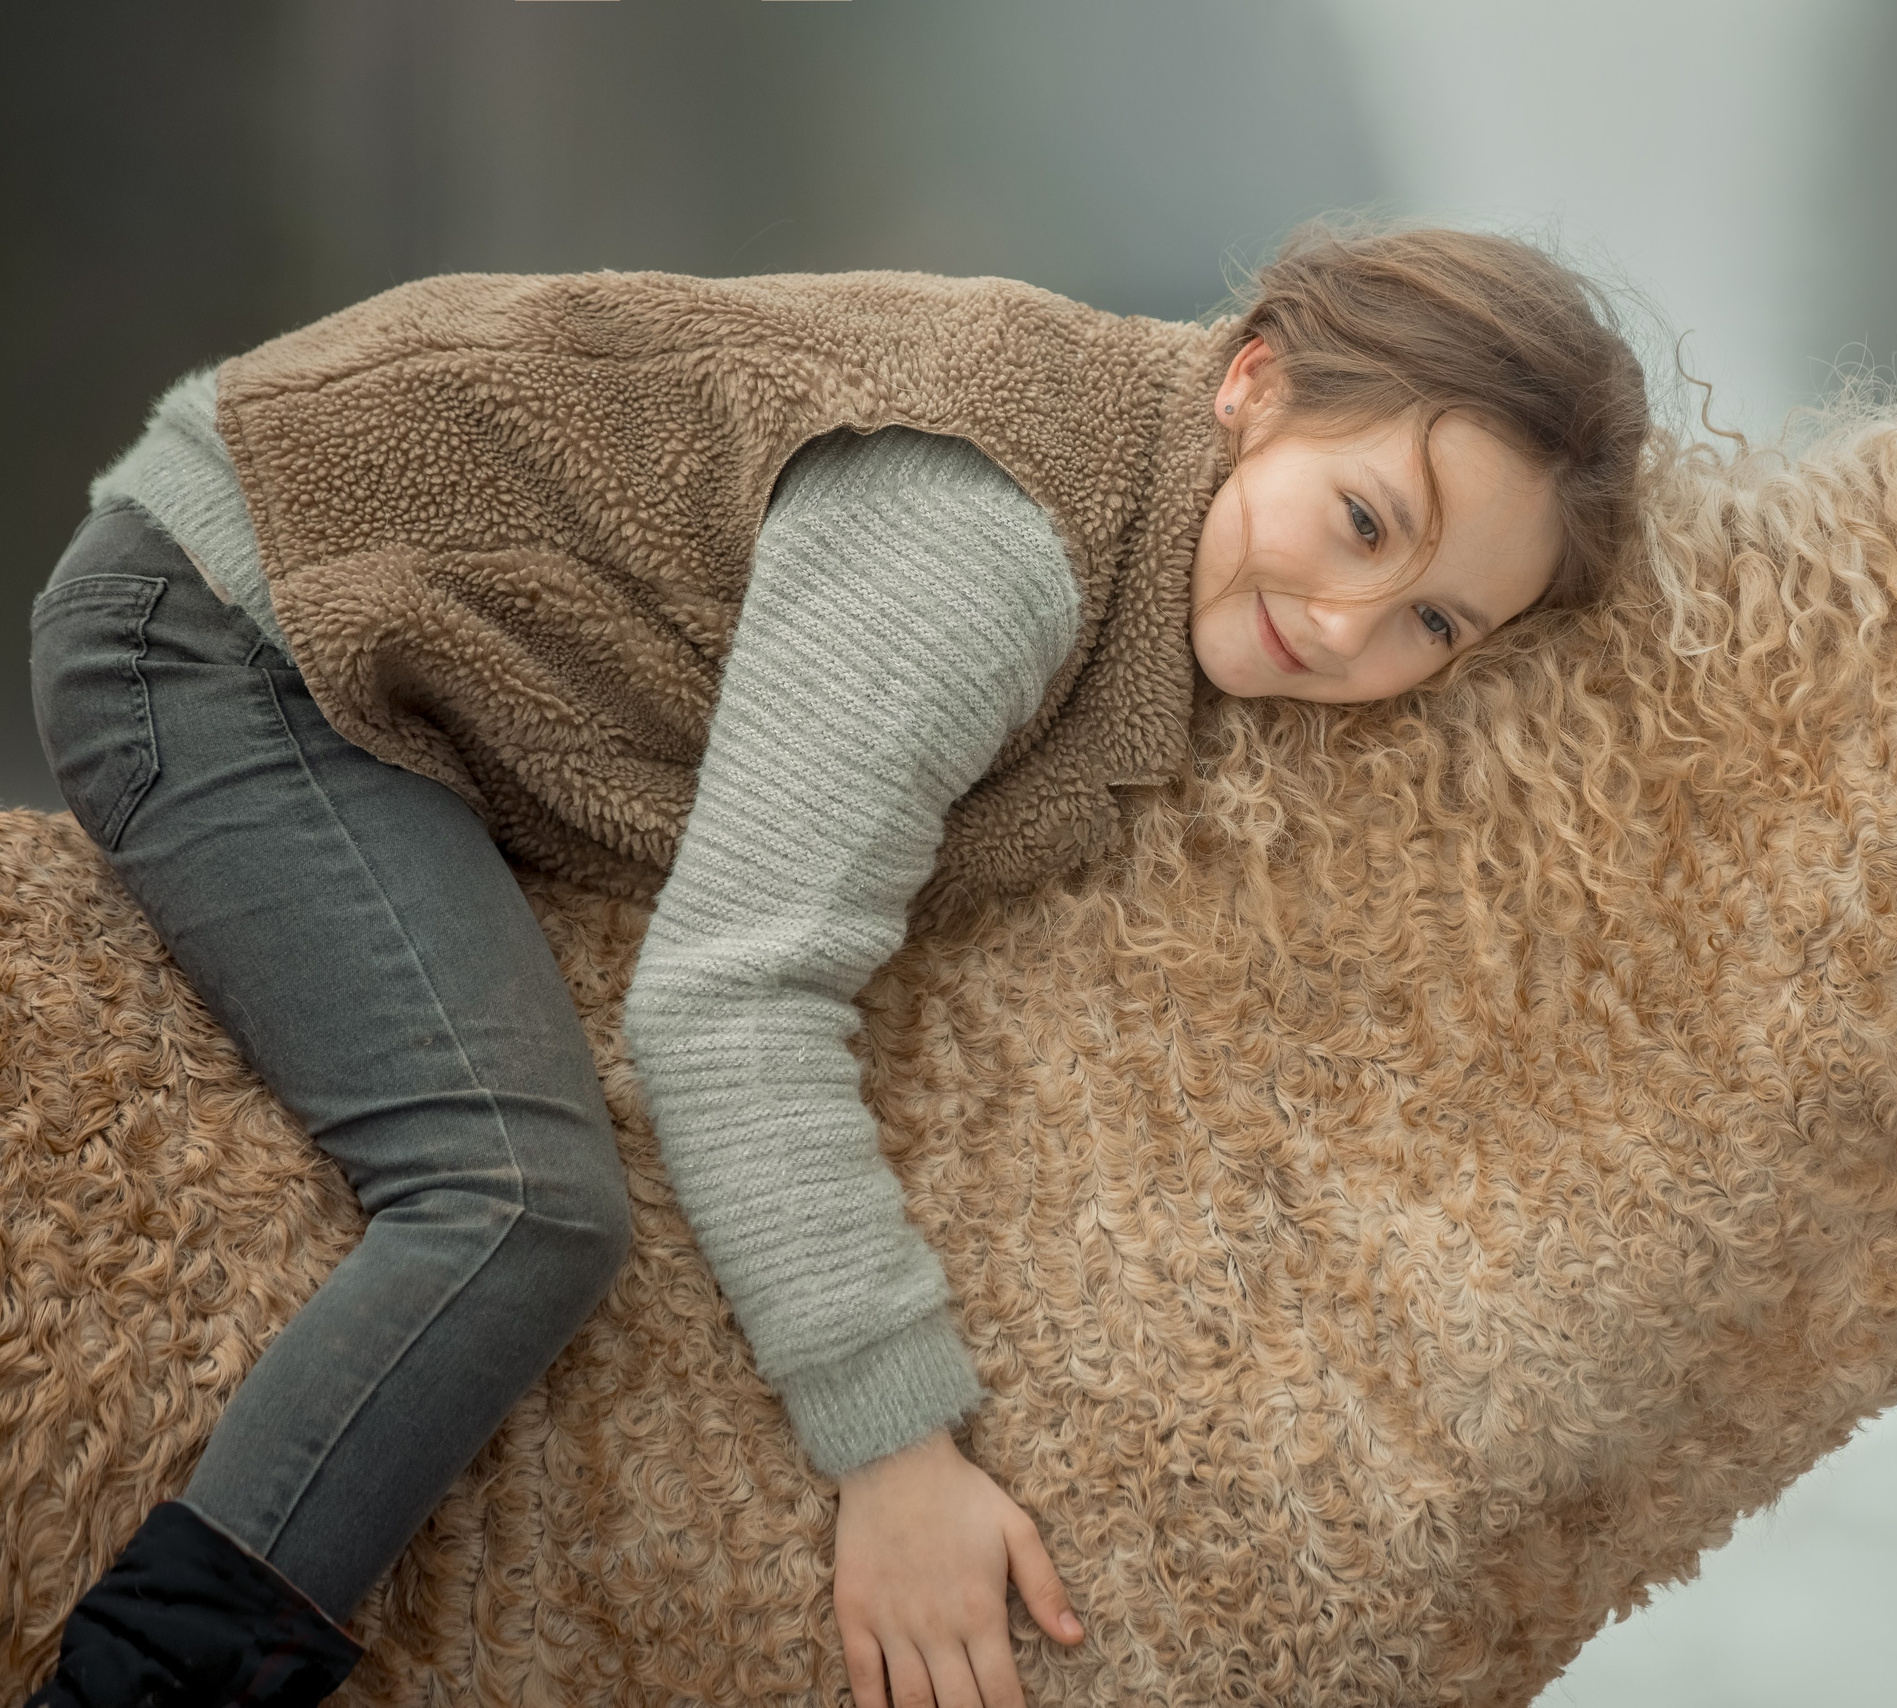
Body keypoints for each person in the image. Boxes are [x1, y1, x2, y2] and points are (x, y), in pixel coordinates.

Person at [22, 224, 1651, 1708]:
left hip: (409, 655)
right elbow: (727, 1001)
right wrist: (897, 1453)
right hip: (232, 623)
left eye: (1436, 625)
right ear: (1254, 381)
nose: (1355, 628)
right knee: (519, 1200)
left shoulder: (1168, 535)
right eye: (1364, 522)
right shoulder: (987, 541)